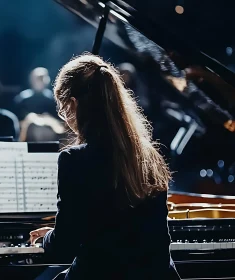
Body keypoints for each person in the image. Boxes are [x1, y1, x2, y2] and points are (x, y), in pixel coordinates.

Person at [29, 54, 180, 280]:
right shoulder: (150, 155)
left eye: (62, 107)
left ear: (73, 103)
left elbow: (65, 246)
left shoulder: (74, 159)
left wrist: (47, 238)